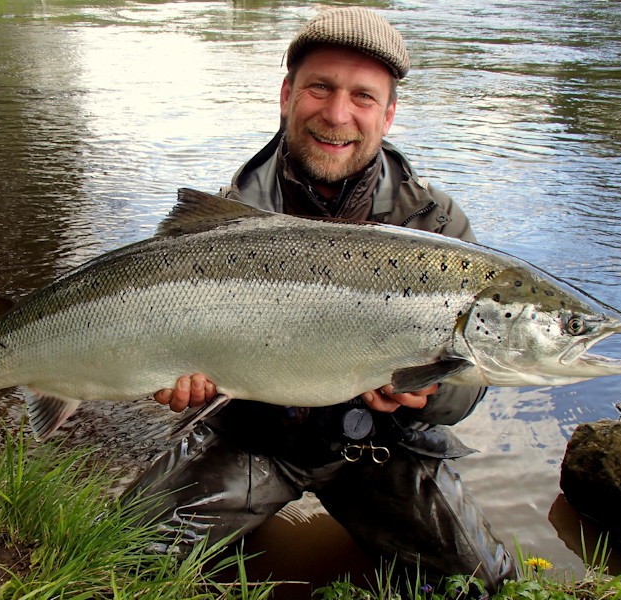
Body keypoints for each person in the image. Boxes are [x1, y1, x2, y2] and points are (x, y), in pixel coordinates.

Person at [119, 6, 519, 592]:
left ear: (389, 112)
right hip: (252, 437)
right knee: (119, 558)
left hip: (381, 453)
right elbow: (155, 331)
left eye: (362, 96)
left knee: (485, 586)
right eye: (320, 88)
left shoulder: (435, 226)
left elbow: (472, 386)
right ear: (287, 94)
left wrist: (429, 394)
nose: (336, 115)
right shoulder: (228, 219)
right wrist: (170, 377)